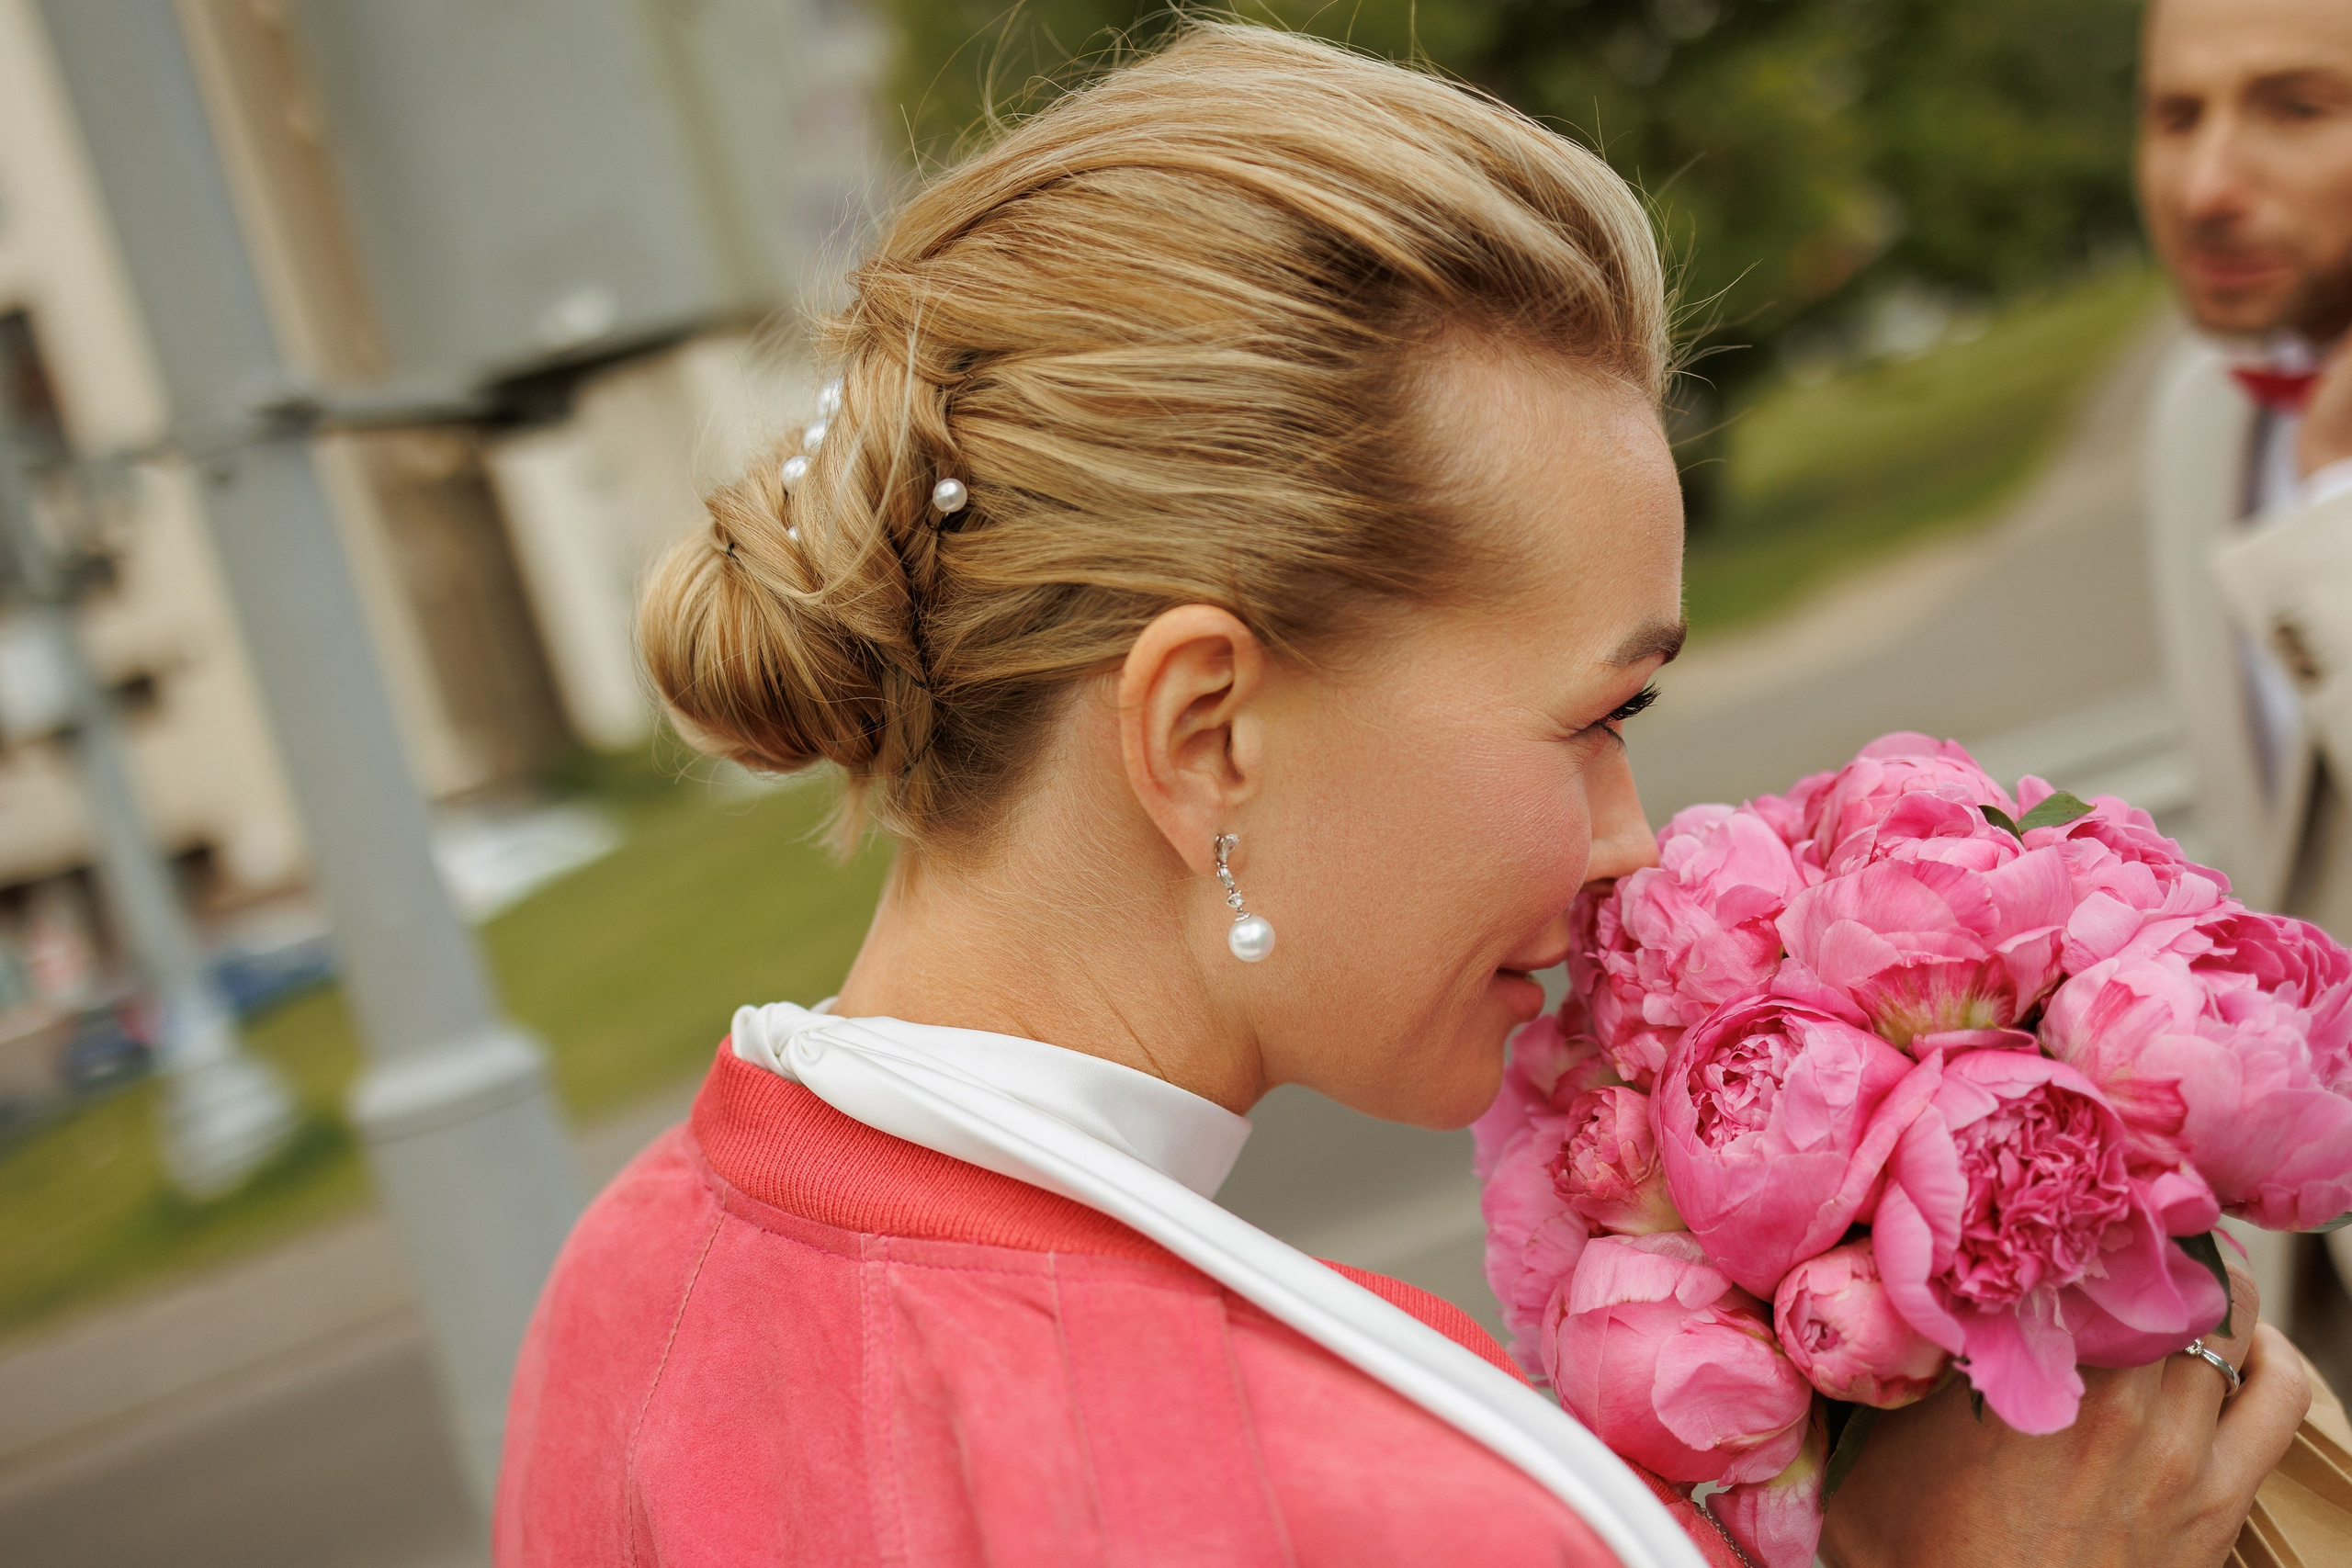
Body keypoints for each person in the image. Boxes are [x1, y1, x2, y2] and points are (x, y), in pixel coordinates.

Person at [493, 25, 2308, 1568]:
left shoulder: (634, 1282)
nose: (1627, 842)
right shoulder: (1376, 1506)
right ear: (1204, 727)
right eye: (1599, 714)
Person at [2139, 0, 2352, 1324]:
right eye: (2176, 115)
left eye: (2295, 107)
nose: (2207, 186)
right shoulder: (2199, 414)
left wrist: (2335, 499)